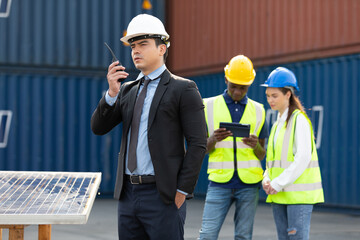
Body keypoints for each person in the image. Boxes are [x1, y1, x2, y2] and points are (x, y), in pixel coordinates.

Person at [91, 14, 207, 240]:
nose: (136, 51)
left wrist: (182, 190)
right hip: (128, 195)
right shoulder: (127, 90)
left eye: (143, 44)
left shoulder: (183, 89)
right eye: (133, 46)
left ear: (162, 48)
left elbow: (198, 142)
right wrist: (112, 94)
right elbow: (98, 127)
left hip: (163, 195)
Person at [199, 55, 268, 240]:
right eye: (233, 86)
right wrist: (213, 139)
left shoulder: (260, 110)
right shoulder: (207, 106)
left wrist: (255, 146)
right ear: (226, 79)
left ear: (250, 84)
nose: (237, 91)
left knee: (243, 237)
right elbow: (201, 150)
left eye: (242, 87)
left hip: (249, 186)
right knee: (207, 235)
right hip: (219, 183)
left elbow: (262, 155)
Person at [261, 67, 324, 240]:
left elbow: (303, 158)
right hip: (279, 193)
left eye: (275, 96)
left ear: (288, 94)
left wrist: (278, 183)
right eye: (268, 95)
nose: (270, 100)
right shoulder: (276, 124)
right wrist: (266, 179)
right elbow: (272, 161)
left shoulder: (299, 120)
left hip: (298, 196)